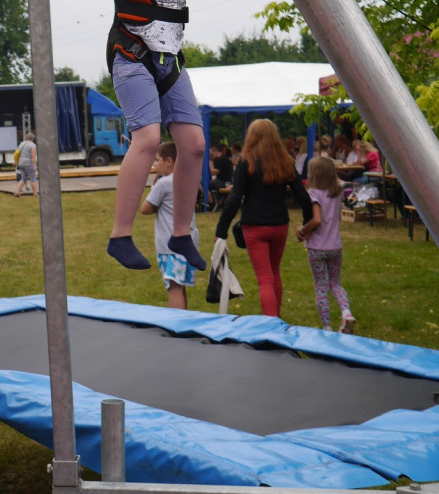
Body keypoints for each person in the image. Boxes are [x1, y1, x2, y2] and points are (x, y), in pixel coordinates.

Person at [45, 0, 219, 272]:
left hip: (171, 60)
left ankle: (181, 234)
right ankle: (120, 236)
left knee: (194, 144)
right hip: (133, 53)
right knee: (145, 138)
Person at [215, 119, 313, 317]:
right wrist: (306, 225)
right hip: (279, 225)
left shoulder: (246, 161)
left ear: (251, 136)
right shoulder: (285, 161)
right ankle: (276, 318)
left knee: (265, 279)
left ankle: (271, 324)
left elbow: (235, 197)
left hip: (255, 225)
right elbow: (303, 196)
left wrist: (221, 230)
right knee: (274, 272)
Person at [295, 157, 356, 333]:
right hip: (335, 246)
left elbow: (317, 219)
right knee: (336, 283)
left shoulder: (314, 193)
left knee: (321, 287)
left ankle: (327, 327)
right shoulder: (336, 192)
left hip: (317, 247)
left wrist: (303, 231)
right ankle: (346, 313)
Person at [141, 142, 198, 309]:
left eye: (157, 160)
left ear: (169, 161)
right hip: (189, 242)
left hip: (170, 245)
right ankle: (185, 319)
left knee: (173, 287)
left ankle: (176, 325)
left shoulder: (164, 183)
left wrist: (156, 184)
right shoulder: (188, 178)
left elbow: (145, 209)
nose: (155, 164)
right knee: (180, 286)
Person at [13, 132, 38, 197]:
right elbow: (33, 156)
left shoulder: (21, 143)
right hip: (28, 163)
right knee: (33, 178)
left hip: (21, 163)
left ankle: (17, 192)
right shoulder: (32, 145)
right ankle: (35, 194)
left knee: (23, 178)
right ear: (33, 139)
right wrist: (35, 165)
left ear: (27, 137)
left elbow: (17, 153)